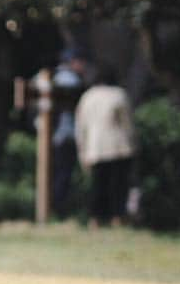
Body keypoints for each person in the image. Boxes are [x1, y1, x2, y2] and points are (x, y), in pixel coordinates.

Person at [75, 67, 136, 229]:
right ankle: (117, 218)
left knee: (98, 186)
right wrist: (134, 144)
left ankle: (94, 220)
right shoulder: (119, 95)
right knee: (118, 186)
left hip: (95, 147)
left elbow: (81, 127)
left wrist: (82, 151)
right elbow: (127, 124)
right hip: (119, 146)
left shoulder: (88, 97)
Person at [50, 49, 87, 218]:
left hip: (54, 135)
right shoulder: (70, 80)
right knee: (63, 174)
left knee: (58, 173)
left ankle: (55, 208)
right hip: (65, 134)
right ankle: (59, 210)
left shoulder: (54, 77)